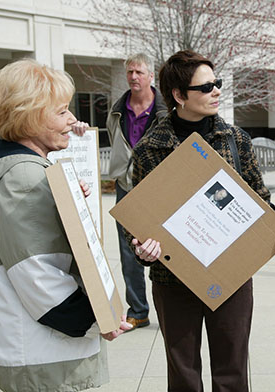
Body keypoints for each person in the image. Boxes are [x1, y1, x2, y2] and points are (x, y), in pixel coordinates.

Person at [128, 50, 275, 391]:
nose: (217, 91)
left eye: (217, 83)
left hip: (230, 274)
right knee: (183, 376)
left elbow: (261, 203)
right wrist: (142, 249)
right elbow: (139, 223)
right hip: (173, 279)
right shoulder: (150, 149)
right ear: (179, 95)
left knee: (232, 373)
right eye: (206, 87)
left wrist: (274, 234)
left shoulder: (236, 141)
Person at [0, 59, 131, 392]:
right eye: (61, 112)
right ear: (27, 117)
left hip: (35, 348)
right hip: (41, 353)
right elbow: (37, 274)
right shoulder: (25, 179)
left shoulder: (23, 172)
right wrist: (97, 321)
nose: (73, 119)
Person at [106, 53, 167, 330]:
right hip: (126, 188)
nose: (133, 77)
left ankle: (172, 307)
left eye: (139, 72)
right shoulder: (117, 110)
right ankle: (138, 311)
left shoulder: (166, 111)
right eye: (130, 72)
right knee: (128, 251)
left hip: (159, 189)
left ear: (150, 76)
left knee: (165, 246)